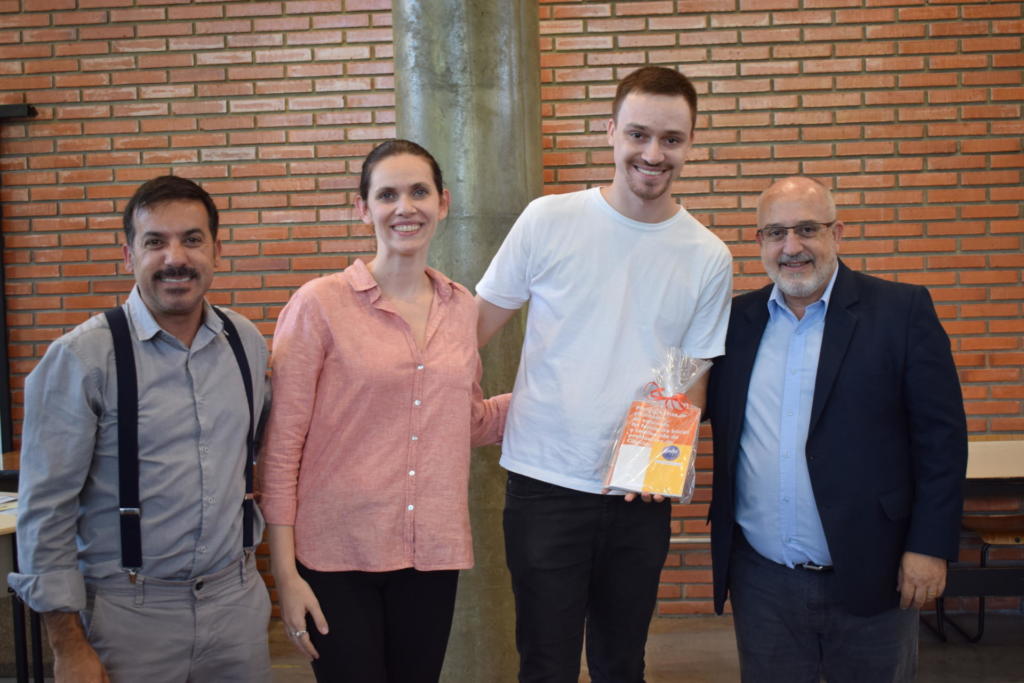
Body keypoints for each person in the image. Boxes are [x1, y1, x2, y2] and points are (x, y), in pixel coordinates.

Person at [476, 66, 733, 682]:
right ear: (610, 130)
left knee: (622, 663)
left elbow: (693, 376)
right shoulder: (548, 219)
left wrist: (664, 464)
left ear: (690, 144)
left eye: (671, 139)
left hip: (639, 492)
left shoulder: (708, 255)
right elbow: (470, 330)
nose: (653, 153)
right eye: (639, 134)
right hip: (544, 482)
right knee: (546, 664)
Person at [259, 139, 510, 683]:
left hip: (431, 554)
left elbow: (463, 420)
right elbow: (281, 449)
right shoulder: (319, 304)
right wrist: (285, 572)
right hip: (335, 555)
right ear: (363, 207)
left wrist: (552, 400)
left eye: (419, 192)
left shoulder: (461, 308)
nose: (405, 208)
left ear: (442, 203)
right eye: (387, 195)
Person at [9, 176, 273, 682]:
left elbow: (258, 455)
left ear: (217, 250)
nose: (176, 258)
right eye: (155, 242)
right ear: (129, 255)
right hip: (128, 617)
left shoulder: (246, 343)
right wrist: (68, 647)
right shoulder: (82, 358)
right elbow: (46, 512)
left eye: (192, 239)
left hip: (236, 606)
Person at [706, 176, 968, 682]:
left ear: (837, 233)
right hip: (762, 581)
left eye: (807, 229)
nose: (791, 247)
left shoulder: (901, 311)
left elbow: (942, 442)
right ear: (759, 241)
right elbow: (684, 398)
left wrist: (930, 545)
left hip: (876, 570)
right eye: (776, 233)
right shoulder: (735, 322)